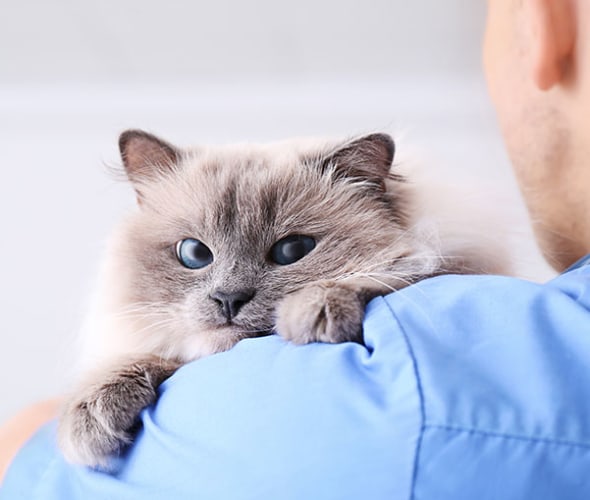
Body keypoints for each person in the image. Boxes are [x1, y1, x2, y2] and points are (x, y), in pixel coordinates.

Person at [1, 0, 589, 498]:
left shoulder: (405, 384)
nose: (228, 291)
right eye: (193, 255)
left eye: (291, 250)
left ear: (546, 22)